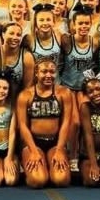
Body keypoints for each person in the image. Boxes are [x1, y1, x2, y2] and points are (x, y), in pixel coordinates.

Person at [16, 57, 72, 188]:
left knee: (61, 180)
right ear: (36, 73)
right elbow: (23, 126)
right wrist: (33, 151)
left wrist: (59, 150)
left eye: (52, 72)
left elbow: (65, 124)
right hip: (33, 143)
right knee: (38, 181)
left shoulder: (64, 93)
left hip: (54, 142)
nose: (48, 75)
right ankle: (37, 164)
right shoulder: (26, 95)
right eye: (44, 71)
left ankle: (49, 162)